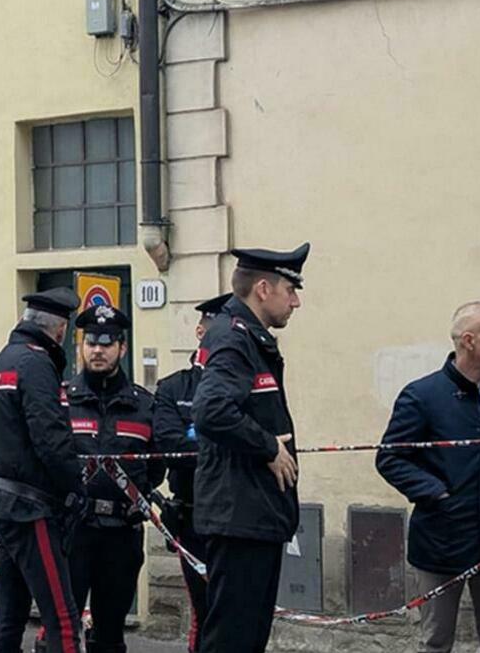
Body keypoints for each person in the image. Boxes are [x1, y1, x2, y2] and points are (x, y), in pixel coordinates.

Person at [375, 301, 480, 653]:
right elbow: (391, 458)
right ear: (469, 341)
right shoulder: (422, 396)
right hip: (441, 540)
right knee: (436, 639)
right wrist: (436, 493)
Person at [192, 243, 309, 653]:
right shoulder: (233, 337)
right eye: (290, 291)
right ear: (263, 289)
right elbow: (211, 410)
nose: (295, 302)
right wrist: (267, 447)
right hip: (239, 514)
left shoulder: (249, 338)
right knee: (232, 640)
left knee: (247, 638)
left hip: (254, 513)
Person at [0, 288, 90, 653]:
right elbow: (51, 438)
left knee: (9, 614)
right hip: (31, 507)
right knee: (63, 619)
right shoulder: (36, 364)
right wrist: (76, 488)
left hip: (1, 503)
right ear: (60, 330)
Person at [63, 304, 162, 653]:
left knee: (110, 634)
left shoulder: (144, 406)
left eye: (106, 344)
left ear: (122, 348)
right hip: (74, 530)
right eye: (91, 342)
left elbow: (156, 468)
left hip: (122, 533)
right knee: (60, 629)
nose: (97, 350)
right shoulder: (63, 401)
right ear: (81, 346)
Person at [153, 292, 229, 653]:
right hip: (193, 517)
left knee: (236, 615)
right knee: (205, 611)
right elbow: (171, 446)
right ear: (201, 332)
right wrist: (228, 446)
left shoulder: (244, 384)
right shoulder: (173, 388)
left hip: (237, 515)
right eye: (219, 329)